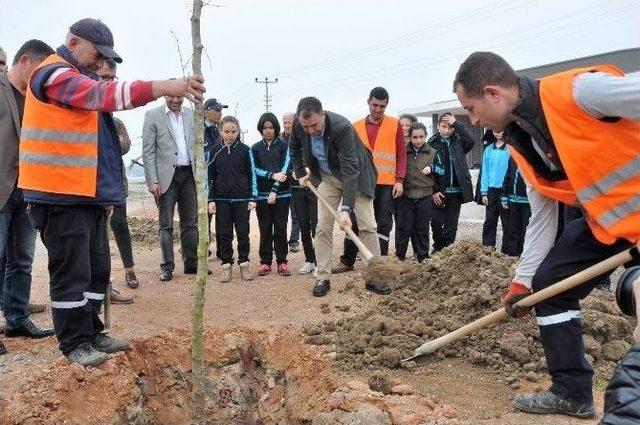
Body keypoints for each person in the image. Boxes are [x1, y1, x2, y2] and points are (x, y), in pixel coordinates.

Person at [454, 51, 639, 418]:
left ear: (493, 94)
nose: (472, 119)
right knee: (550, 287)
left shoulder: (578, 92)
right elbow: (542, 217)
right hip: (609, 226)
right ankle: (572, 392)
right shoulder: (521, 143)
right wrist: (523, 282)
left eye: (471, 108)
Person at [19, 18, 206, 366]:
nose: (100, 62)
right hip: (59, 196)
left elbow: (100, 147)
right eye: (97, 54)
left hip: (86, 198)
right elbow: (102, 95)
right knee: (71, 275)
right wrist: (165, 85)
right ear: (73, 43)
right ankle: (74, 343)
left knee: (96, 270)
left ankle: (92, 333)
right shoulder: (54, 75)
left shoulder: (79, 76)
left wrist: (106, 197)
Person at [289, 96, 391, 297]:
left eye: (314, 125)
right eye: (306, 126)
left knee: (367, 226)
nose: (310, 130)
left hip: (356, 177)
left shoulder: (341, 127)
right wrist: (300, 172)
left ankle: (375, 278)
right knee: (322, 227)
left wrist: (346, 209)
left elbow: (351, 170)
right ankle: (322, 277)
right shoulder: (299, 124)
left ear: (323, 115)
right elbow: (294, 148)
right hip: (328, 178)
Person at [0, 40, 57, 356]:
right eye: (38, 69)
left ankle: (18, 319)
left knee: (22, 259)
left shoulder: (38, 97)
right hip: (1, 186)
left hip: (27, 190)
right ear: (23, 61)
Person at [333, 87, 407, 273]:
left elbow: (401, 153)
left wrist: (399, 179)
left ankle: (377, 264)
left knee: (382, 224)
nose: (378, 110)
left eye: (382, 106)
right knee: (355, 222)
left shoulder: (394, 124)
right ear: (368, 102)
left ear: (386, 105)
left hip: (386, 182)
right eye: (375, 105)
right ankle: (347, 261)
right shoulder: (354, 126)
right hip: (361, 182)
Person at [143, 93, 199, 282]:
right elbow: (148, 151)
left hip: (190, 174)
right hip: (165, 177)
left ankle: (192, 265)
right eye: (171, 97)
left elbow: (197, 146)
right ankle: (167, 267)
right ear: (165, 95)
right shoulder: (153, 115)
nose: (175, 100)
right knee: (165, 225)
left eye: (179, 97)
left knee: (190, 224)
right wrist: (152, 180)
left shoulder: (191, 114)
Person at [95, 59, 139, 302]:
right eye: (105, 78)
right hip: (93, 190)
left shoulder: (115, 119)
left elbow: (124, 145)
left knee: (120, 228)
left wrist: (114, 144)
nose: (109, 83)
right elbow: (111, 146)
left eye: (113, 79)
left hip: (116, 186)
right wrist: (113, 144)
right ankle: (102, 287)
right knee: (98, 240)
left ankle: (129, 271)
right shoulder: (91, 113)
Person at [207, 116, 256, 282]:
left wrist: (253, 197)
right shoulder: (214, 151)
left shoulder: (245, 150)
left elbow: (252, 175)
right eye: (226, 131)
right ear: (221, 132)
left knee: (243, 234)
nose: (230, 135)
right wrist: (211, 200)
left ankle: (244, 264)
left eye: (233, 131)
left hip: (242, 200)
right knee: (224, 235)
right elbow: (210, 177)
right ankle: (226, 266)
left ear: (238, 131)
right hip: (221, 201)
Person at [428, 112, 475, 252]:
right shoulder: (431, 144)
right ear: (438, 126)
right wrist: (434, 191)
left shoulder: (459, 142)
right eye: (444, 126)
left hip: (456, 193)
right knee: (436, 223)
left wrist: (456, 123)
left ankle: (447, 252)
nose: (447, 130)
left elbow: (471, 140)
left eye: (450, 127)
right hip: (439, 193)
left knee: (451, 225)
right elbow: (428, 171)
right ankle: (437, 249)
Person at [252, 112, 292, 276]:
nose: (268, 130)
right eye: (265, 128)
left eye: (271, 127)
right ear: (261, 129)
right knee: (265, 228)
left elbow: (284, 170)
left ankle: (282, 262)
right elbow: (253, 169)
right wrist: (270, 175)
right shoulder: (255, 148)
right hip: (262, 196)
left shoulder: (284, 146)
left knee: (281, 229)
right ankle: (265, 262)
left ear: (276, 128)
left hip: (282, 195)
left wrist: (275, 189)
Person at [394, 122, 440, 263]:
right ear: (410, 137)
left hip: (425, 195)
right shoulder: (403, 152)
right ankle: (399, 256)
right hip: (406, 195)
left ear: (426, 136)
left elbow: (442, 170)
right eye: (415, 137)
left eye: (421, 137)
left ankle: (422, 256)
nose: (418, 140)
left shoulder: (432, 152)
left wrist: (433, 168)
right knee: (403, 227)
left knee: (422, 228)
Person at [203, 97, 227, 258]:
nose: (220, 113)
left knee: (223, 217)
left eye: (221, 110)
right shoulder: (197, 129)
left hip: (220, 179)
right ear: (206, 111)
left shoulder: (221, 130)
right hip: (203, 182)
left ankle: (222, 250)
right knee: (204, 217)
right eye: (217, 110)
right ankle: (202, 248)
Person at [480, 130, 510, 250]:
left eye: (501, 130)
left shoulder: (510, 148)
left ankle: (507, 249)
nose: (498, 133)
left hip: (505, 190)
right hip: (491, 190)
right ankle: (488, 246)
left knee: (507, 221)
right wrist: (484, 192)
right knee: (490, 220)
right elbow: (485, 172)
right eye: (495, 131)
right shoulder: (488, 149)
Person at [500, 157, 530, 257]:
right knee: (513, 228)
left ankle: (523, 255)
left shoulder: (531, 155)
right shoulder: (513, 156)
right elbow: (508, 175)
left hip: (528, 200)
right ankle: (512, 255)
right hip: (513, 199)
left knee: (526, 229)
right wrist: (504, 195)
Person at [282, 112, 301, 254]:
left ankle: (294, 241)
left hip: (295, 182)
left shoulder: (300, 137)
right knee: (281, 215)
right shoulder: (279, 138)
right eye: (285, 123)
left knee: (296, 214)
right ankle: (280, 242)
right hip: (282, 183)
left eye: (290, 122)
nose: (287, 125)